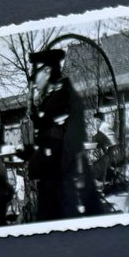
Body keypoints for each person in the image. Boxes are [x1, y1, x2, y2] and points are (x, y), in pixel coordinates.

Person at [26, 47, 92, 222]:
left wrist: (32, 157)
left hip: (58, 182)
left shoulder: (61, 99)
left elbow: (56, 142)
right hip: (55, 180)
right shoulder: (53, 98)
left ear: (47, 71)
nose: (34, 81)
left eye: (35, 76)